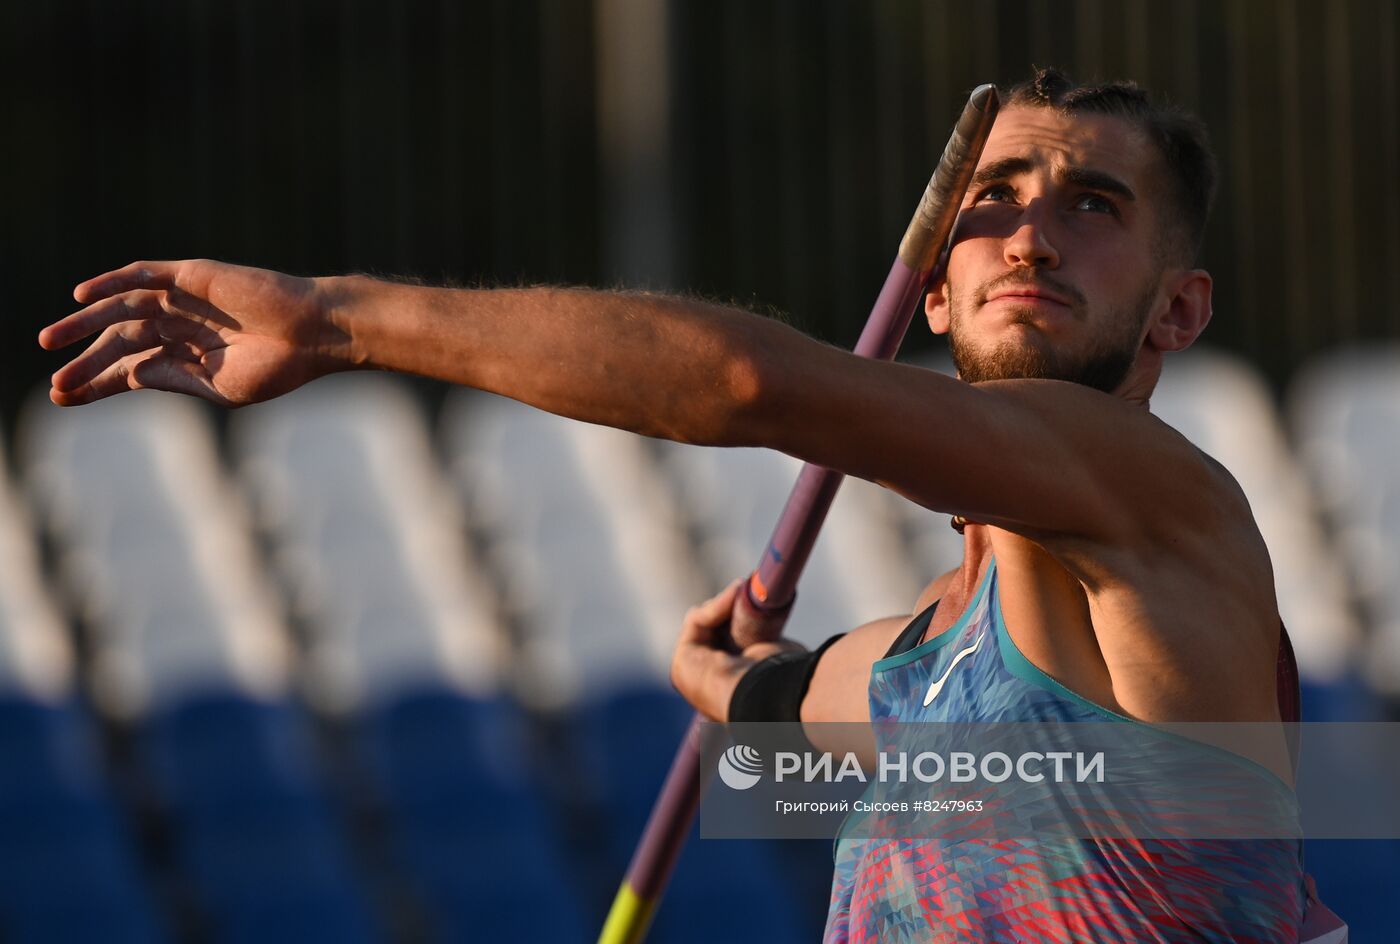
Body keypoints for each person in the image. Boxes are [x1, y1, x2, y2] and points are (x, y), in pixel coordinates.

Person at [40, 69, 1312, 941]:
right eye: (995, 195)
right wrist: (738, 687)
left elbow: (753, 385)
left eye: (1092, 205)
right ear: (932, 289)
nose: (1029, 235)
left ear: (1176, 309)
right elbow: (819, 706)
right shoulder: (924, 656)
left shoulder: (1156, 502)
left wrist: (338, 320)